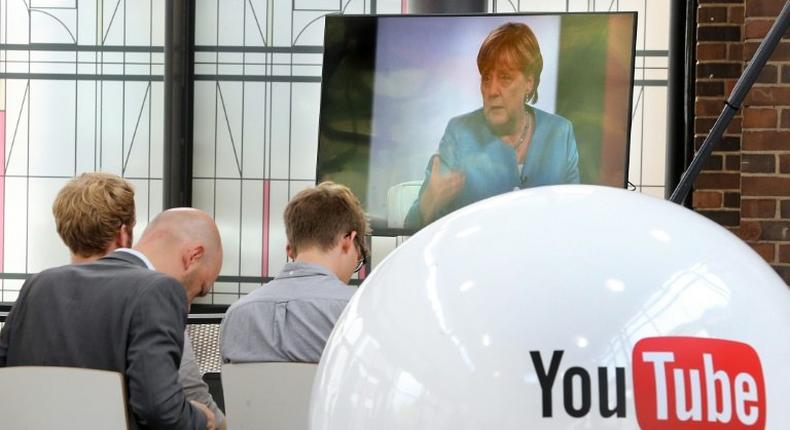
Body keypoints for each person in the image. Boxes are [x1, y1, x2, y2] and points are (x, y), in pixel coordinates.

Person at [0, 207, 223, 430]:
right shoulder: (159, 289)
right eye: (199, 289)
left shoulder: (41, 283)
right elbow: (158, 408)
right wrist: (201, 418)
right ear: (193, 256)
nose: (190, 305)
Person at [50, 172, 227, 429]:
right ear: (124, 235)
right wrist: (202, 417)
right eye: (198, 291)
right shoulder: (153, 293)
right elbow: (164, 404)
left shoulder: (37, 289)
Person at [405, 22, 580, 229]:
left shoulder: (560, 133)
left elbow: (575, 218)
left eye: (505, 77)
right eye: (486, 78)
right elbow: (410, 226)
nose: (492, 90)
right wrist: (429, 203)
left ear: (529, 82)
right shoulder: (460, 134)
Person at [220, 181, 369, 363]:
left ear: (290, 250)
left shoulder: (236, 315)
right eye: (358, 259)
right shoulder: (356, 312)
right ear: (348, 241)